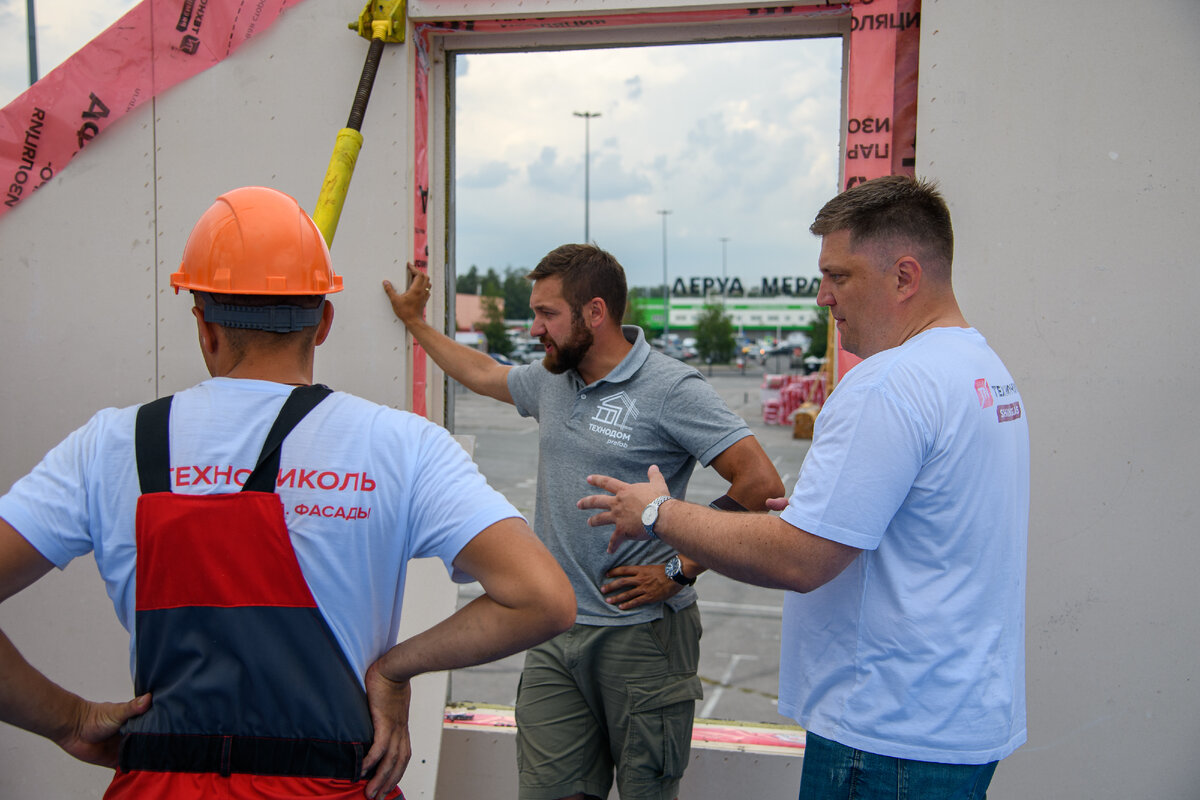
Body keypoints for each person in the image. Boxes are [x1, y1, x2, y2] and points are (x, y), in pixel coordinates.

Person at [0, 186, 575, 800]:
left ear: (204, 324)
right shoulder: (402, 445)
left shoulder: (110, 445)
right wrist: (395, 669)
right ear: (323, 322)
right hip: (329, 785)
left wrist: (70, 719)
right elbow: (543, 599)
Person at [580, 176, 1029, 800]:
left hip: (884, 736)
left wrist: (657, 511)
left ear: (904, 277)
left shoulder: (888, 385)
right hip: (953, 715)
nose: (823, 298)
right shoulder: (981, 369)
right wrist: (830, 514)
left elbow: (801, 559)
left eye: (838, 276)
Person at [384, 244, 783, 800]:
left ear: (595, 313)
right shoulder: (551, 379)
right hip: (553, 632)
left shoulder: (670, 388)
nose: (535, 328)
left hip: (644, 638)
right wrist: (414, 323)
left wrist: (678, 568)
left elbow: (760, 483)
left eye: (547, 314)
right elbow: (482, 371)